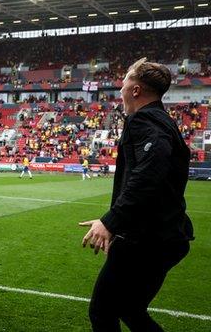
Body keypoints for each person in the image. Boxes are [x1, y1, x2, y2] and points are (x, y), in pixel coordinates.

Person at [79, 58, 194, 332]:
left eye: (125, 81)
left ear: (136, 90)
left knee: (102, 312)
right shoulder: (162, 120)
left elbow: (150, 173)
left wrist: (111, 221)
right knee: (130, 310)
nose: (120, 88)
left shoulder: (143, 120)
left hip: (147, 240)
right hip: (164, 236)